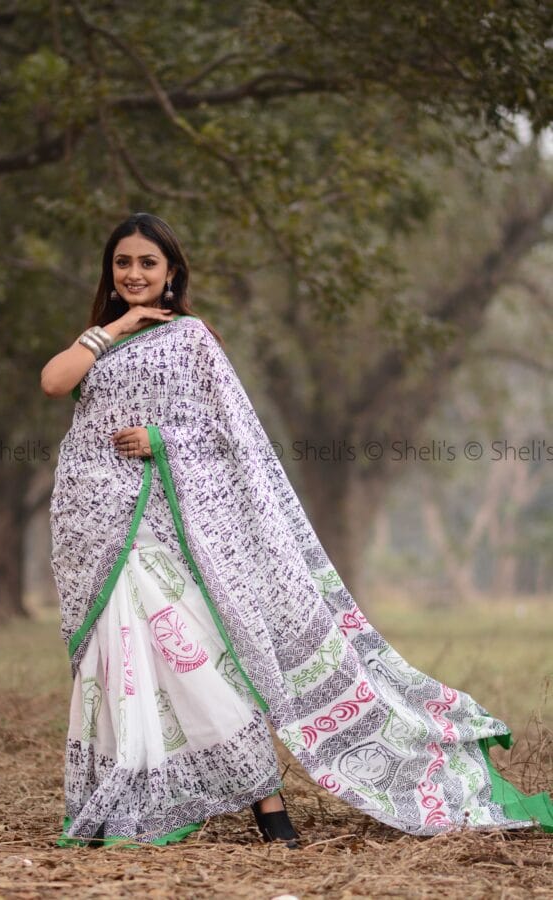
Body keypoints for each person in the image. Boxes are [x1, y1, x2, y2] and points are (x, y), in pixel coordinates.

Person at [42, 213, 553, 849]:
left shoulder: (193, 339)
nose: (135, 274)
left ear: (172, 272)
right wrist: (114, 327)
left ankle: (268, 804)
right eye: (124, 263)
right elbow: (53, 381)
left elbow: (234, 438)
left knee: (199, 662)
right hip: (100, 530)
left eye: (149, 263)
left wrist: (162, 440)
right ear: (110, 272)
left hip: (169, 529)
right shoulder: (101, 340)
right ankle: (130, 795)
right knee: (121, 661)